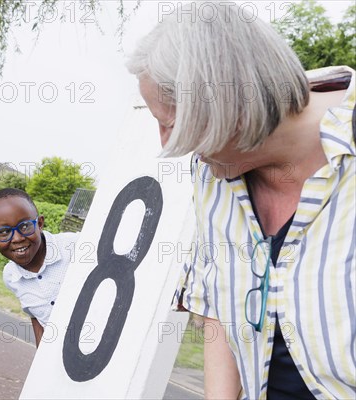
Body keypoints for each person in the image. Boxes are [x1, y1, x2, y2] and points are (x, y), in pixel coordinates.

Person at [127, 3, 355, 399]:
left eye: (170, 123)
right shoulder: (211, 175)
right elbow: (219, 310)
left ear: (227, 107)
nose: (169, 145)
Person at [0, 188, 78, 347]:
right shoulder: (11, 277)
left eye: (25, 226)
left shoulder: (76, 246)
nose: (18, 238)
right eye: (4, 232)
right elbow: (37, 316)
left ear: (39, 224)